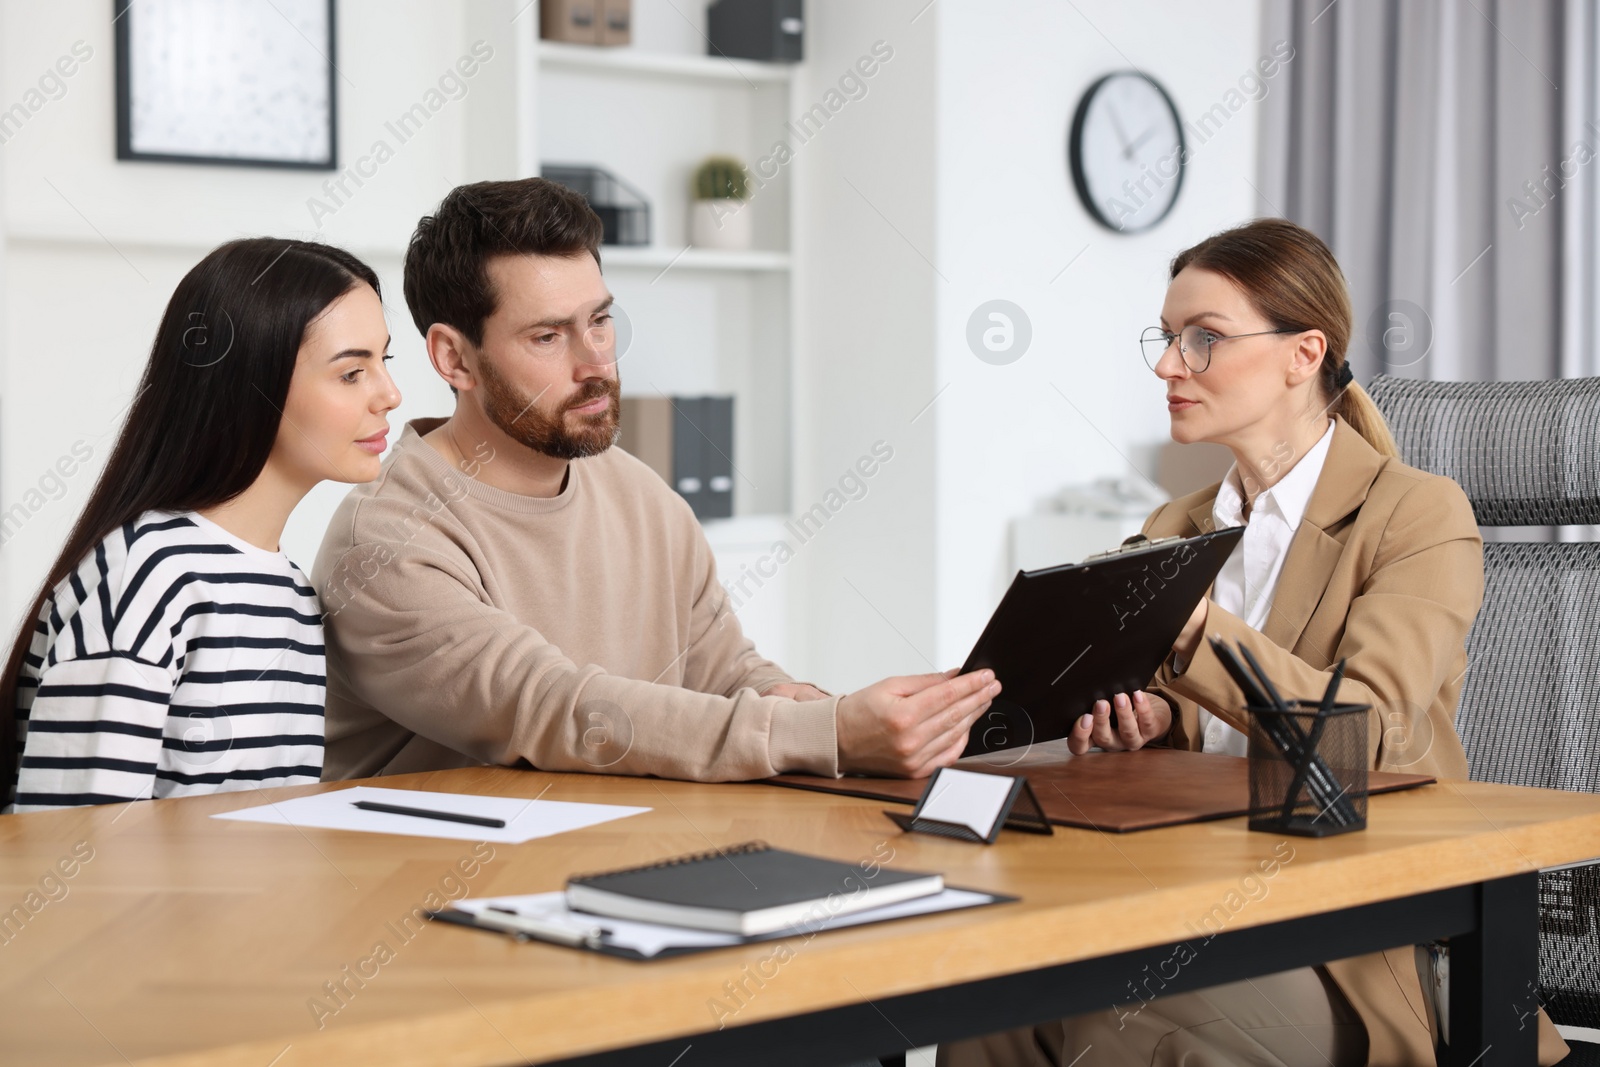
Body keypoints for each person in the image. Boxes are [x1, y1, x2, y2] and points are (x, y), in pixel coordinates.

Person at [941, 219, 1567, 1065]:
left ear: (1303, 354)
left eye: (1204, 339)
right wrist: (1148, 724)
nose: (1169, 365)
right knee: (996, 989)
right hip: (1193, 886)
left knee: (1116, 1011)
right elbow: (1189, 730)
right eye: (1165, 339)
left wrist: (1199, 628)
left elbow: (1368, 731)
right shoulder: (1172, 528)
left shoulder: (1417, 514)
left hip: (1350, 935)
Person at [313, 177, 999, 784]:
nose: (595, 363)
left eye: (601, 322)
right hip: (427, 900)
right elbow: (556, 708)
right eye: (548, 338)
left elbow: (730, 680)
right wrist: (833, 734)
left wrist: (914, 725)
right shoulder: (383, 540)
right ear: (454, 358)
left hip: (618, 867)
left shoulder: (640, 494)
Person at [1, 238, 401, 813]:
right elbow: (74, 849)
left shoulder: (290, 592)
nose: (390, 395)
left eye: (384, 363)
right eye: (350, 373)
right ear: (250, 383)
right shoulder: (148, 576)